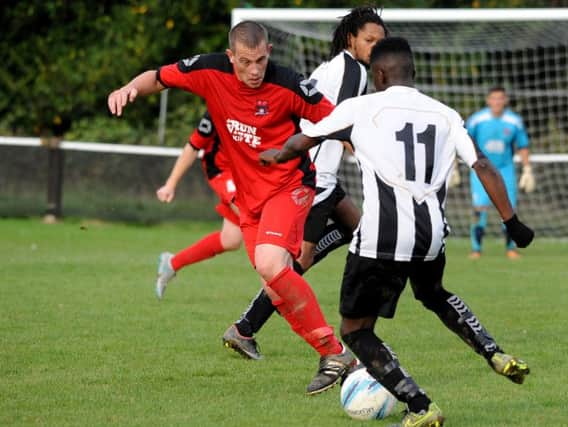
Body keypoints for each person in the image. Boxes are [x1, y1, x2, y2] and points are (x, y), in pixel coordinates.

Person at [260, 37, 535, 427]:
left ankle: (420, 406)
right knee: (433, 293)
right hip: (431, 236)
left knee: (355, 331)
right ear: (413, 73)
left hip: (380, 236)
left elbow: (306, 140)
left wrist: (276, 154)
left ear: (379, 74)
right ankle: (493, 351)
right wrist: (512, 223)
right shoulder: (445, 114)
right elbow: (484, 166)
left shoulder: (361, 106)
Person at [108, 20, 355, 395]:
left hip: (291, 187)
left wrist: (373, 154)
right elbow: (158, 77)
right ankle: (333, 357)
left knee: (273, 266)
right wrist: (130, 88)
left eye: (259, 60)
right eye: (245, 62)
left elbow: (339, 121)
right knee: (274, 287)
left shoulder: (289, 84)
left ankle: (337, 354)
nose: (254, 70)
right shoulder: (210, 71)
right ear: (231, 58)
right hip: (249, 199)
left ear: (268, 53)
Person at [221, 6, 387, 362]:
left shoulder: (338, 67)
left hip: (318, 171)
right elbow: (340, 122)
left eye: (380, 42)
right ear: (351, 39)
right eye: (369, 40)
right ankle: (246, 327)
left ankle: (250, 324)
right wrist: (374, 159)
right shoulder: (351, 72)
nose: (376, 47)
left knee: (358, 229)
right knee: (301, 259)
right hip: (315, 176)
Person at [154, 111, 243, 300]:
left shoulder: (267, 99)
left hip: (248, 172)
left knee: (231, 239)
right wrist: (171, 184)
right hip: (221, 170)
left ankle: (172, 263)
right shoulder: (217, 107)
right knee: (251, 215)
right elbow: (193, 146)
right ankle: (276, 290)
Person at [465, 86, 535, 259]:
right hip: (481, 170)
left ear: (505, 100)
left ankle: (511, 249)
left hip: (506, 170)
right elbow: (464, 141)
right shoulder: (476, 120)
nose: (497, 102)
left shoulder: (514, 121)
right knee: (479, 208)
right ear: (488, 100)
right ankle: (476, 249)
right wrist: (453, 166)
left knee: (509, 210)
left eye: (500, 98)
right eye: (494, 98)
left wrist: (527, 169)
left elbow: (522, 146)